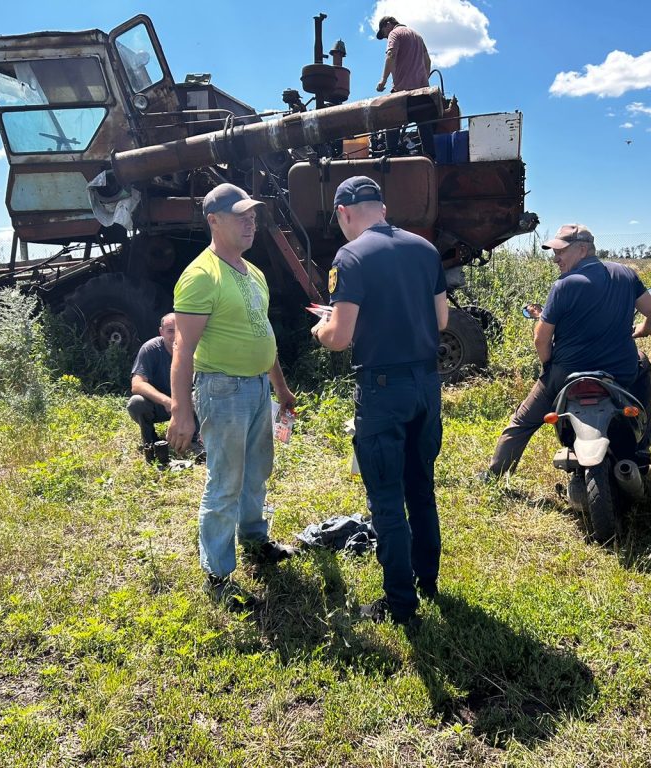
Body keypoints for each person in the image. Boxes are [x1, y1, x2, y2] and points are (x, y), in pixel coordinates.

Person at [312, 176, 449, 627]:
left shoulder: (350, 256)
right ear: (383, 208)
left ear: (344, 213)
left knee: (386, 499)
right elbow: (442, 318)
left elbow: (340, 338)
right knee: (420, 486)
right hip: (427, 385)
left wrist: (321, 328)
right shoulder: (425, 249)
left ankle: (400, 603)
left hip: (383, 389)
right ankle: (426, 580)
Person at [167, 183, 297, 608]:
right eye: (241, 215)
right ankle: (218, 575)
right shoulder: (201, 275)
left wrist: (279, 386)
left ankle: (255, 541)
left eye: (254, 215)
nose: (250, 222)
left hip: (258, 387)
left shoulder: (252, 271)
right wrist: (181, 411)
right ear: (214, 221)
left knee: (257, 470)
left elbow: (265, 334)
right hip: (222, 389)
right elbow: (183, 348)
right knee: (225, 481)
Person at [485, 224, 651, 479]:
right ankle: (643, 447)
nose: (556, 258)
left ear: (582, 250)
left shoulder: (565, 285)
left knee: (522, 423)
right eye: (554, 252)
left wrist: (549, 367)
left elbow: (541, 338)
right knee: (643, 367)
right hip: (620, 372)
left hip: (567, 373)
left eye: (561, 252)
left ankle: (495, 475)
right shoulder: (625, 274)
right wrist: (641, 331)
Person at [375, 16, 435, 158]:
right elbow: (428, 60)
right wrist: (423, 80)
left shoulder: (395, 34)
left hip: (403, 91)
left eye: (383, 33)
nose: (385, 37)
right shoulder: (418, 36)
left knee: (390, 121)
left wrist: (383, 80)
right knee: (425, 128)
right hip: (422, 92)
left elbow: (391, 54)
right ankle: (431, 159)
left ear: (388, 24)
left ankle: (391, 159)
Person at [127, 313, 177, 447]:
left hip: (187, 403)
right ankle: (150, 442)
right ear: (161, 332)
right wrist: (167, 401)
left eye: (179, 330)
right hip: (160, 405)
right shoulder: (150, 349)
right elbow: (137, 384)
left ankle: (196, 439)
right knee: (136, 403)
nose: (176, 336)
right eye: (170, 331)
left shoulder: (193, 348)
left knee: (202, 397)